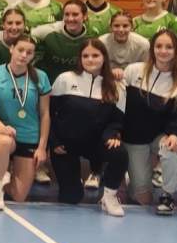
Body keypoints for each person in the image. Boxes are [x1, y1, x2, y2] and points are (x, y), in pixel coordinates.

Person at [49, 39, 127, 215]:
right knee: (71, 197)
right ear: (80, 58)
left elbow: (116, 120)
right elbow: (50, 113)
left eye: (95, 55)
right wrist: (54, 141)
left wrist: (113, 135)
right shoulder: (65, 79)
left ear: (104, 57)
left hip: (96, 144)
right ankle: (73, 182)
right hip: (66, 145)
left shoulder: (117, 86)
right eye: (85, 56)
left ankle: (109, 197)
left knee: (119, 153)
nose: (90, 59)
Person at [121, 29, 177, 215]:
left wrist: (174, 135)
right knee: (143, 199)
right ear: (152, 49)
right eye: (159, 46)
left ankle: (168, 195)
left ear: (176, 51)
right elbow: (118, 104)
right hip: (133, 138)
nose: (163, 51)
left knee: (172, 148)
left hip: (158, 136)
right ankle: (134, 178)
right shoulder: (133, 71)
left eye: (169, 47)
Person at [0, 34, 50, 209]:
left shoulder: (41, 77)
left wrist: (42, 147)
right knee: (5, 142)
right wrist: (1, 127)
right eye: (20, 50)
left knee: (19, 196)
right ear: (11, 49)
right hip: (3, 132)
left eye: (29, 52)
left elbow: (45, 114)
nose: (24, 55)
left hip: (29, 136)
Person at [35, 0, 89, 81]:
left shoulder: (91, 35)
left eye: (75, 14)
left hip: (80, 84)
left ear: (85, 16)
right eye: (66, 14)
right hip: (51, 83)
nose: (70, 19)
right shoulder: (48, 32)